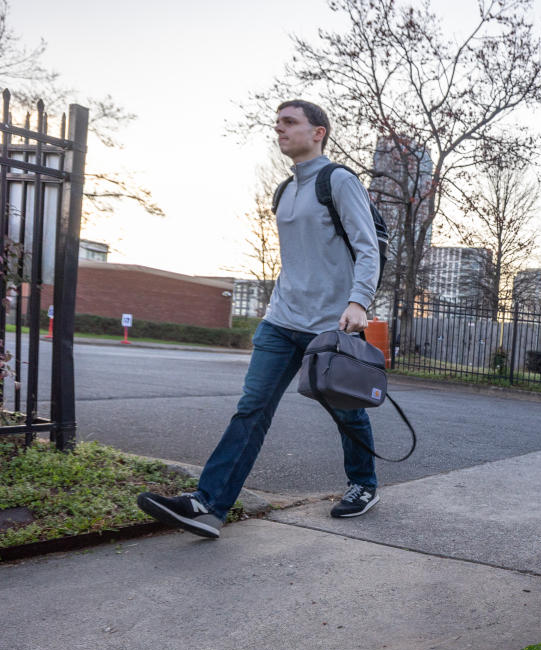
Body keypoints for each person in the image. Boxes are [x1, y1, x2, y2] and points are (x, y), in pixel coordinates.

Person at [137, 100, 381, 538]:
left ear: (318, 132)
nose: (279, 129)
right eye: (278, 123)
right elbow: (297, 260)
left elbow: (367, 247)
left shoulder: (339, 180)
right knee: (252, 409)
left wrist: (358, 301)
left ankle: (363, 484)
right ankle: (209, 506)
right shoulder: (284, 191)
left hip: (331, 324)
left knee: (346, 410)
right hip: (281, 320)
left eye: (290, 123)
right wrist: (275, 307)